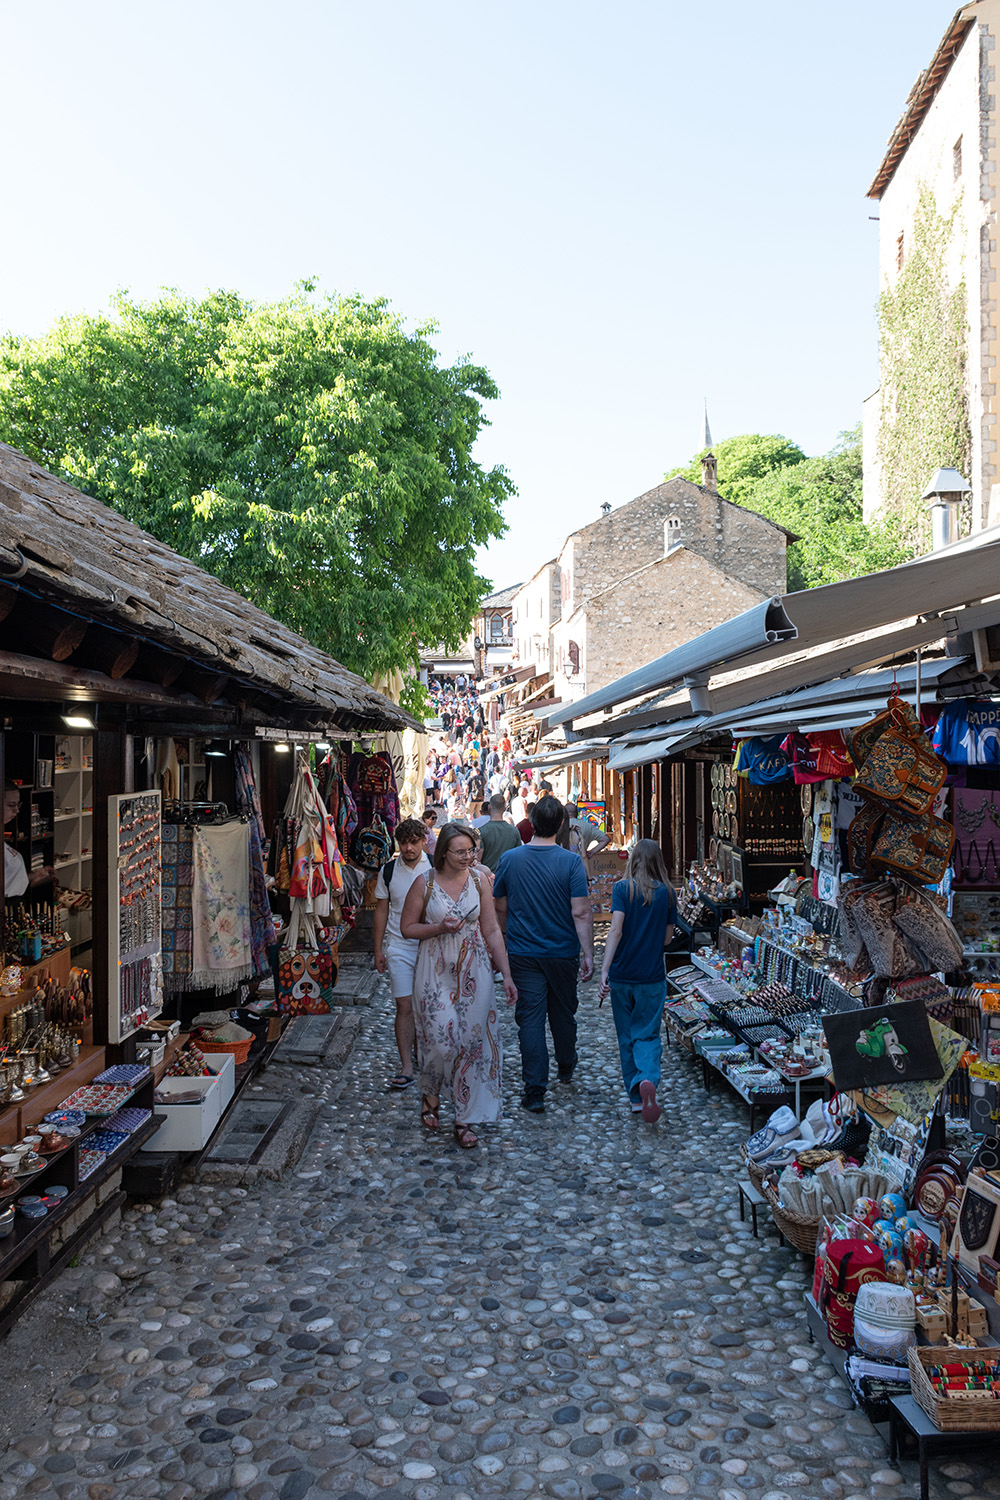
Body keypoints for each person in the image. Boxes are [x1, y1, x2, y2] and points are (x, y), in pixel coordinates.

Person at [400, 822, 517, 1149]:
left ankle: (465, 1117)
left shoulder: (480, 880)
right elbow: (407, 928)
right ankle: (431, 1094)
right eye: (461, 851)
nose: (469, 856)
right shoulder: (423, 883)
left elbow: (492, 930)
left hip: (475, 968)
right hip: (434, 968)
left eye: (471, 850)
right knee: (439, 1040)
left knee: (470, 1043)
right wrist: (438, 926)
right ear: (443, 853)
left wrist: (506, 974)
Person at [493, 797, 594, 1113]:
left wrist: (509, 935)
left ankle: (535, 1089)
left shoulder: (510, 860)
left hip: (523, 952)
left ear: (531, 823)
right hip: (562, 952)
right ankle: (566, 1064)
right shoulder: (571, 862)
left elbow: (500, 907)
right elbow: (580, 913)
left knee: (531, 1019)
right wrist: (588, 953)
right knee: (563, 1013)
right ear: (562, 824)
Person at [598, 839, 677, 1123]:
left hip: (622, 975)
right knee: (648, 1034)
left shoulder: (622, 889)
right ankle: (648, 1079)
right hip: (651, 976)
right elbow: (668, 939)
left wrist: (604, 969)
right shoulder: (667, 893)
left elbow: (616, 930)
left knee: (626, 1036)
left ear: (633, 860)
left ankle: (635, 1097)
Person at [373, 818, 433, 1090]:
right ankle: (406, 1065)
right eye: (404, 842)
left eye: (414, 841)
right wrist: (378, 949)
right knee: (404, 1006)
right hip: (399, 946)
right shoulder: (388, 871)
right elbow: (381, 911)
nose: (409, 848)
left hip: (431, 945)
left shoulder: (435, 866)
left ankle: (424, 1053)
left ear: (423, 840)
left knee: (427, 1005)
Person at [3, 784, 53, 896]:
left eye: (18, 805)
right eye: (11, 805)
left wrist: (34, 876)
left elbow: (9, 878)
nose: (16, 811)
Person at [479, 793, 521, 872]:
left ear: (489, 807)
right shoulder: (514, 831)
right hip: (507, 876)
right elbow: (518, 857)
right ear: (505, 808)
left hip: (488, 877)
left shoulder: (481, 831)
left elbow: (478, 858)